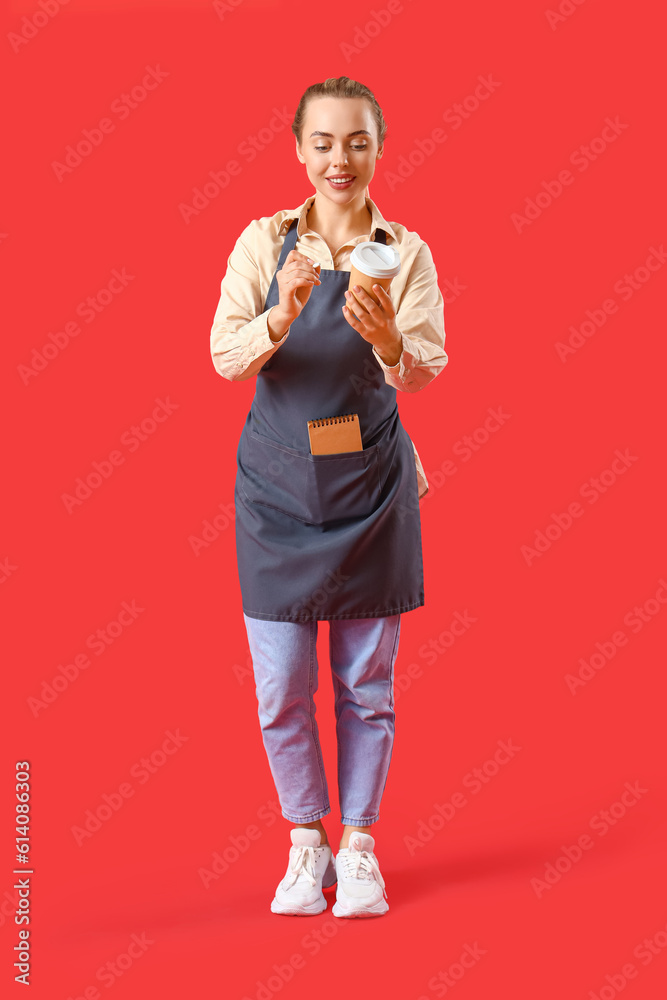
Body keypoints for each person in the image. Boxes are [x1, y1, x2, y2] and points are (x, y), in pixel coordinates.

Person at [209, 76, 448, 918]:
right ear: (299, 149)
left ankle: (358, 847)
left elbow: (425, 366)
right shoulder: (261, 242)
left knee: (365, 684)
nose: (339, 159)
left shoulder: (406, 250)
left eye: (356, 141)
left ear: (378, 147)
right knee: (279, 686)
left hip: (371, 491)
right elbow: (225, 357)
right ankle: (303, 842)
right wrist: (280, 313)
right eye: (322, 141)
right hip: (276, 493)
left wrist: (387, 341)